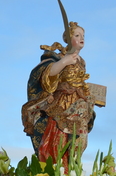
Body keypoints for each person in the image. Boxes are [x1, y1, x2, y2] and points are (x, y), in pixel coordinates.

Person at [22, 20, 95, 163]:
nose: (81, 38)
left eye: (83, 36)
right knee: (58, 136)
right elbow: (47, 73)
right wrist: (64, 62)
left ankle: (72, 167)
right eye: (77, 35)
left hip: (79, 103)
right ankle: (56, 167)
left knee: (80, 140)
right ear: (68, 39)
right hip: (62, 103)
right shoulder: (60, 56)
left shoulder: (82, 61)